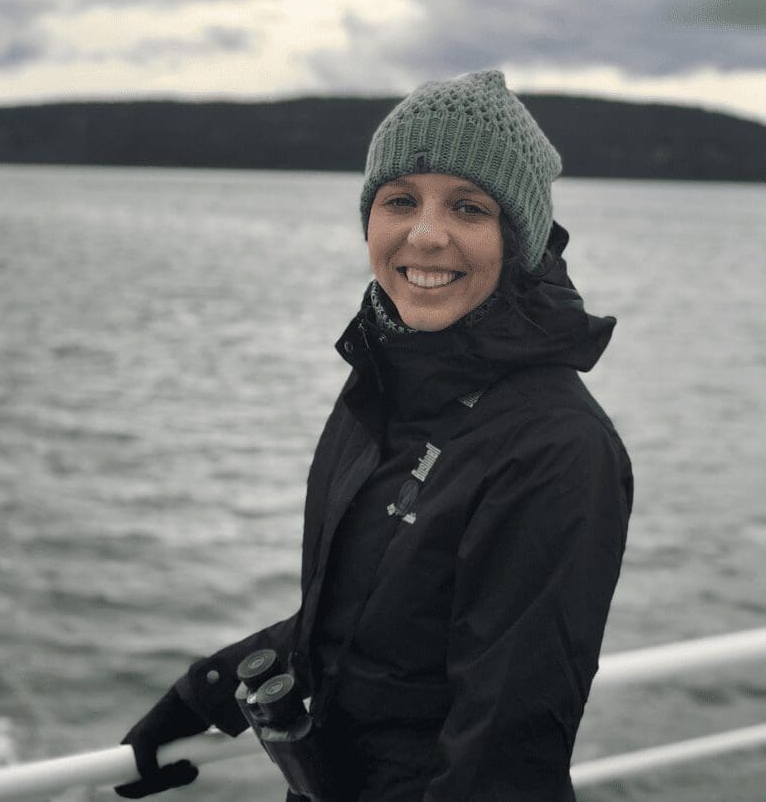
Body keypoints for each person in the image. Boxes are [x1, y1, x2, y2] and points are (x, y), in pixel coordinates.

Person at [114, 69, 633, 801]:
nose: (425, 233)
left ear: (517, 239)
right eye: (399, 200)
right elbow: (362, 619)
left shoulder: (556, 450)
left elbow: (504, 754)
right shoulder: (381, 385)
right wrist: (206, 692)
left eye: (468, 206)